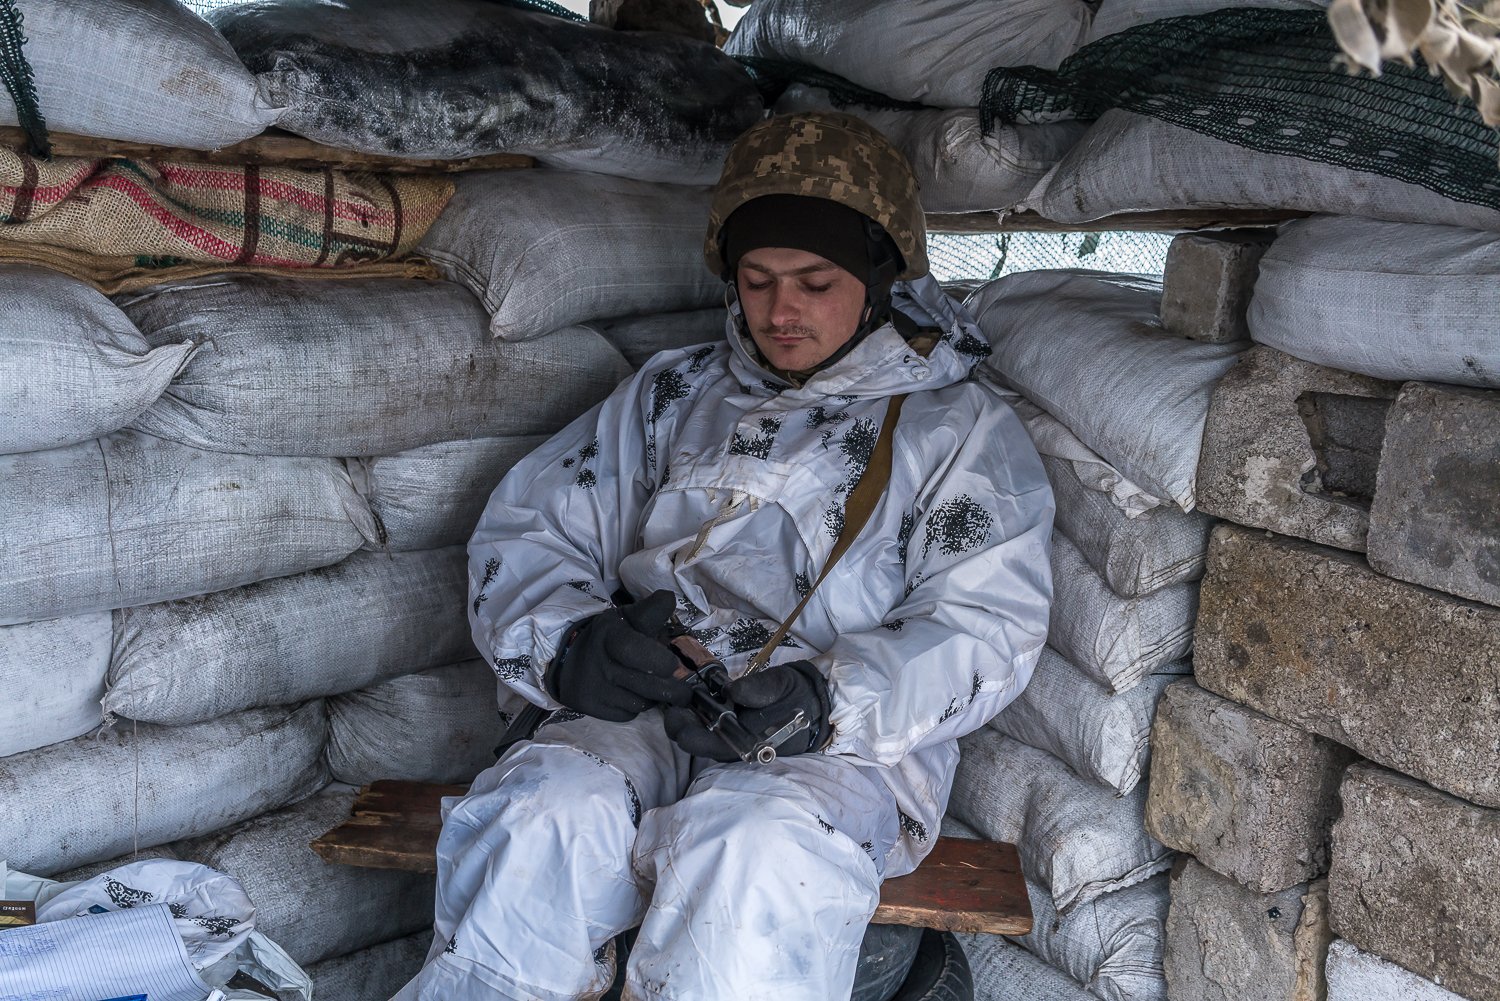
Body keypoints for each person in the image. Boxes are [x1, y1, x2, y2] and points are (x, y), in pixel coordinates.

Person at [393, 111, 1054, 1001]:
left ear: (880, 275)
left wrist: (827, 698)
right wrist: (573, 646)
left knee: (751, 852)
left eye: (816, 281)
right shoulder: (674, 393)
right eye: (757, 279)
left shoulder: (957, 432)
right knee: (540, 814)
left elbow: (986, 623)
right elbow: (533, 530)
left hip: (833, 750)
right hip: (650, 714)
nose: (781, 311)